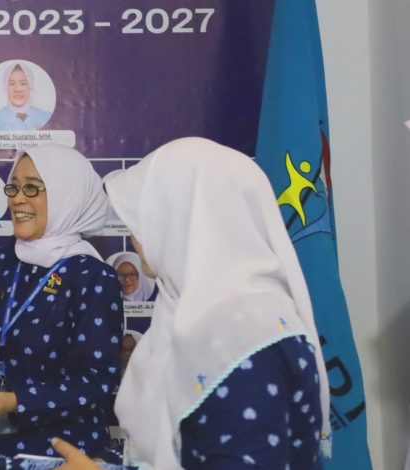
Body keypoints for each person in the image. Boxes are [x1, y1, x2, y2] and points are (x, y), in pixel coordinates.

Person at [52, 137, 331, 469]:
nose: (135, 239)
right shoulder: (203, 315)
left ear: (182, 219)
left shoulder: (245, 338)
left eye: (143, 220)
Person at [0, 144, 124, 461]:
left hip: (61, 455)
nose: (18, 199)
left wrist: (17, 400)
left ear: (67, 196)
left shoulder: (92, 277)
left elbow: (96, 381)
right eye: (13, 187)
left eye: (32, 188)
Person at [0, 63, 52, 131]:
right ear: (6, 87)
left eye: (23, 83)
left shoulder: (46, 117)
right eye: (12, 84)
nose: (18, 89)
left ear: (30, 86)